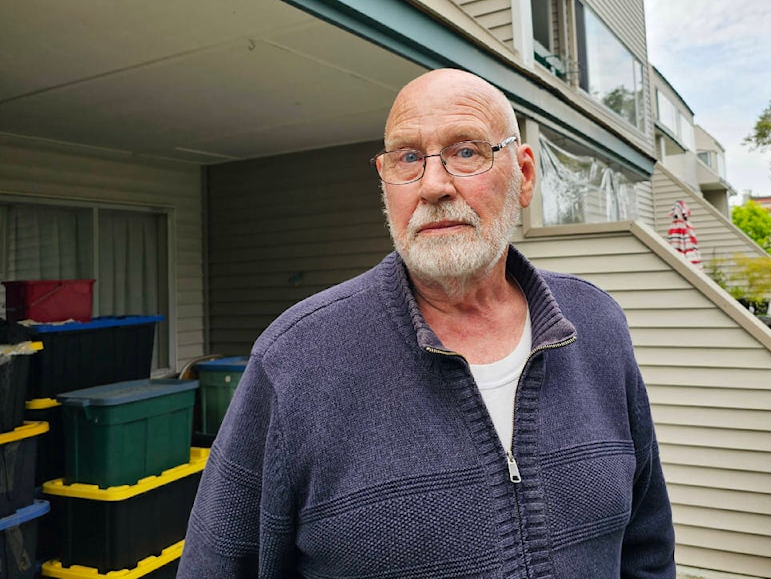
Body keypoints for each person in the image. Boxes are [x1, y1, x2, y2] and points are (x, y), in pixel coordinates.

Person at [178, 68, 676, 578]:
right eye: (408, 157)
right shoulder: (295, 361)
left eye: (466, 151)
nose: (434, 185)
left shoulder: (597, 326)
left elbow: (648, 549)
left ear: (524, 175)